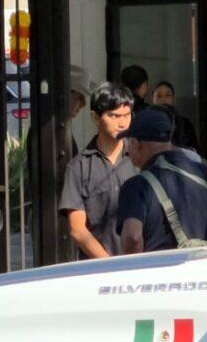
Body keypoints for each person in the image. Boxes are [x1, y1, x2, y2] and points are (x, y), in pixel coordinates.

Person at [59, 83, 137, 259]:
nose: (122, 123)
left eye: (127, 115)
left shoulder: (140, 158)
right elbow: (78, 229)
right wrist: (109, 264)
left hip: (141, 264)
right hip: (98, 267)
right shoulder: (78, 167)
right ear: (95, 117)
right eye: (114, 116)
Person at [119, 107, 207, 254]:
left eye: (127, 143)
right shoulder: (203, 171)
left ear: (136, 144)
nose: (127, 150)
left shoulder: (136, 186)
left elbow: (132, 237)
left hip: (158, 268)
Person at [151, 81, 200, 153]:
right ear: (153, 99)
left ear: (173, 98)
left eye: (167, 95)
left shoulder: (186, 124)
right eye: (159, 96)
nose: (163, 99)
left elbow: (194, 150)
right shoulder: (147, 124)